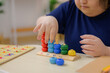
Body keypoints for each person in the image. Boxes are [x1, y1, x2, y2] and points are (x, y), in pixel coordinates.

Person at [33, 0, 110, 57]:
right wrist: (48, 19)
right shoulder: (70, 7)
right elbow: (40, 21)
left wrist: (105, 51)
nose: (82, 1)